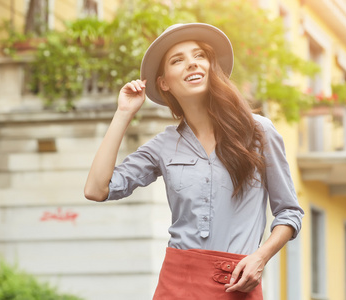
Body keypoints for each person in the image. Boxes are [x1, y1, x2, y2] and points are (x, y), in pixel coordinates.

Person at [84, 23, 304, 299]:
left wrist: (260, 257)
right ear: (164, 82)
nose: (191, 64)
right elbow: (96, 189)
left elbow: (290, 213)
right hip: (177, 283)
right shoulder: (163, 145)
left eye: (199, 55)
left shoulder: (259, 132)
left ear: (212, 68)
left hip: (236, 283)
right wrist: (124, 113)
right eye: (178, 60)